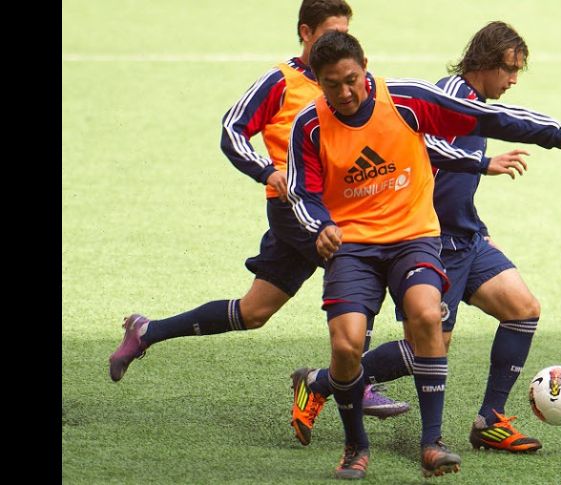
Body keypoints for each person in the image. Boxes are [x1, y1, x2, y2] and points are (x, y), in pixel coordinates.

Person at [286, 30, 561, 479]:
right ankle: (320, 382)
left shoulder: (421, 99)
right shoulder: (427, 100)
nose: (513, 79)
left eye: (352, 79)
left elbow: (468, 143)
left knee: (521, 309)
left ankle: (485, 421)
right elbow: (425, 153)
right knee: (417, 344)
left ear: (365, 66)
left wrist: (552, 138)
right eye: (509, 68)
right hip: (425, 241)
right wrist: (321, 225)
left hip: (456, 237)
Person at [107, 0, 410, 418]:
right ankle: (356, 384)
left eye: (345, 34)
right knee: (361, 268)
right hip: (296, 211)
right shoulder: (280, 81)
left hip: (334, 208)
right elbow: (232, 129)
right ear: (305, 33)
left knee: (254, 312)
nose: (337, 44)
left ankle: (148, 331)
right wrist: (267, 172)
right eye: (329, 33)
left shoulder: (349, 82)